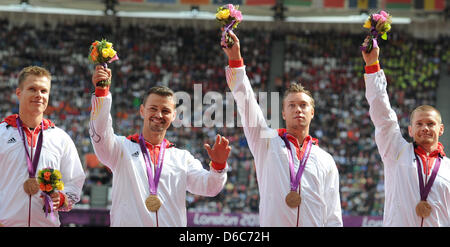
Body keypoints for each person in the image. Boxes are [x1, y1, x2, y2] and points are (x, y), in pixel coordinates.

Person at [221, 32, 342, 226]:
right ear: (283, 113)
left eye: (303, 105)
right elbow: (247, 103)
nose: (298, 110)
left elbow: (333, 215)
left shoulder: (326, 160)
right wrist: (235, 59)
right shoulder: (267, 143)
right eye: (292, 105)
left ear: (312, 112)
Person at [90, 65, 230, 226]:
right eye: (153, 109)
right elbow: (100, 133)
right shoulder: (121, 148)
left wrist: (219, 167)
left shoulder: (182, 158)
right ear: (142, 111)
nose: (159, 115)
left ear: (174, 116)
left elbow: (209, 187)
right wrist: (102, 93)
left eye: (165, 110)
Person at [362, 39, 450, 227]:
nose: (425, 128)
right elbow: (383, 114)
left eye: (430, 123)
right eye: (419, 124)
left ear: (441, 129)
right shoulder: (396, 152)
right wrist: (372, 65)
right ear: (410, 130)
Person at [0, 66, 86, 227]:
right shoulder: (1, 134)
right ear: (19, 93)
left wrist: (62, 198)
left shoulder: (61, 138)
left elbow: (75, 182)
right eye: (32, 89)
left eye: (44, 91)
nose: (38, 95)